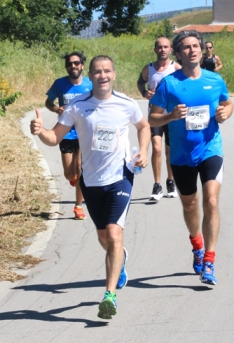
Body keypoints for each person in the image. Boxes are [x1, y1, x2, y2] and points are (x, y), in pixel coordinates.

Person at [31, 55, 149, 320]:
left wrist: (142, 151)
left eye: (107, 71)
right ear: (91, 76)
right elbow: (54, 138)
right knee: (104, 239)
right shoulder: (78, 106)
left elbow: (143, 126)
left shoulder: (126, 104)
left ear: (114, 75)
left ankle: (109, 296)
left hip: (120, 177)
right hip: (91, 182)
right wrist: (40, 131)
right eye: (97, 71)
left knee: (114, 233)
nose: (102, 75)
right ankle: (120, 259)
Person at [149, 31, 234, 286]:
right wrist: (170, 117)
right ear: (178, 53)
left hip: (211, 149)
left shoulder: (215, 79)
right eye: (186, 47)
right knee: (190, 205)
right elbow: (152, 118)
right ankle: (196, 244)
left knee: (210, 201)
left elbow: (228, 103)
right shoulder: (169, 84)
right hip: (181, 155)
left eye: (196, 46)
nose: (193, 50)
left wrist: (225, 113)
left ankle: (209, 260)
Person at [45, 52, 93, 220]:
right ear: (67, 67)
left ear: (82, 65)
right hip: (66, 132)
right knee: (68, 173)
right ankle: (74, 180)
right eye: (70, 64)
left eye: (76, 63)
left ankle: (78, 206)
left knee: (80, 169)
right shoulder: (59, 84)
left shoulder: (90, 84)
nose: (73, 66)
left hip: (84, 132)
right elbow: (48, 103)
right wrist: (56, 109)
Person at [137, 37, 181, 201]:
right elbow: (140, 83)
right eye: (159, 47)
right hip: (154, 117)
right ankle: (157, 185)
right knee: (156, 148)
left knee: (169, 152)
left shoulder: (176, 68)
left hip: (171, 117)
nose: (162, 50)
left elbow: (184, 87)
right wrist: (144, 93)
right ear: (155, 50)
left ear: (170, 50)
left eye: (165, 47)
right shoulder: (148, 69)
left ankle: (170, 181)